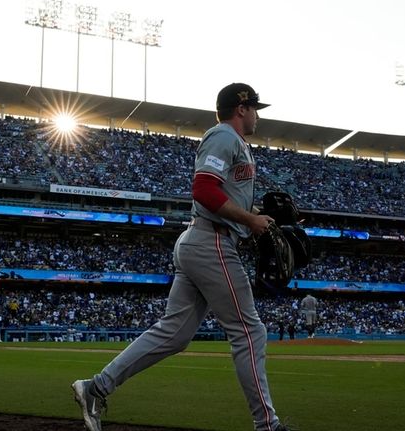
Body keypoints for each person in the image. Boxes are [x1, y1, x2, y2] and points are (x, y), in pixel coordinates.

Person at [72, 83, 291, 431]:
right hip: (212, 242)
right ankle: (268, 425)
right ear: (241, 109)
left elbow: (223, 193)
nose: (257, 115)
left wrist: (260, 213)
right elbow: (203, 189)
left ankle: (95, 387)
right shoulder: (223, 136)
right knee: (250, 332)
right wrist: (250, 219)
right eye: (255, 109)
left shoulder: (234, 143)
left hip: (202, 241)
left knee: (174, 333)